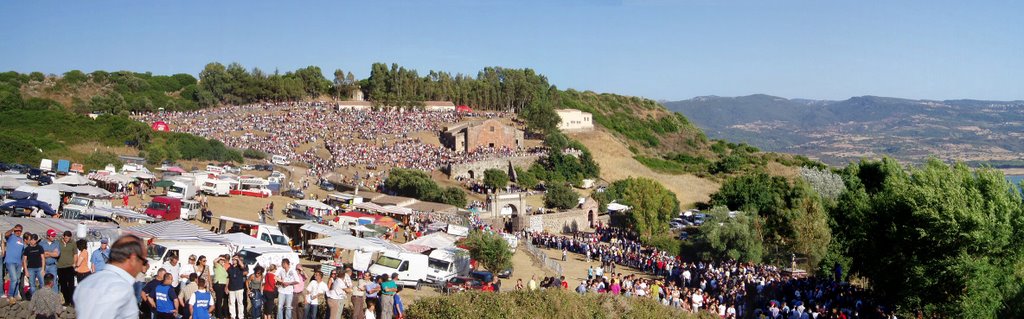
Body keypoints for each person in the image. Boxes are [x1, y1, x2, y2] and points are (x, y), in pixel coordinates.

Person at [74, 234, 149, 319]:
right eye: (144, 261)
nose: (144, 266)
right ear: (133, 259)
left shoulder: (87, 282)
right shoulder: (120, 288)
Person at [4, 224, 25, 300]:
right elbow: (6, 234)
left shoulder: (22, 240)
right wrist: (13, 229)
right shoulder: (11, 237)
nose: (18, 232)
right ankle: (10, 295)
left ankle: (15, 294)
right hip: (10, 261)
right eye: (17, 230)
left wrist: (22, 262)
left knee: (18, 280)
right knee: (14, 279)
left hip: (18, 263)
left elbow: (22, 252)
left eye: (20, 231)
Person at [55, 230, 76, 303]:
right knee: (63, 285)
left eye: (69, 238)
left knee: (71, 285)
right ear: (63, 237)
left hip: (70, 266)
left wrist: (75, 263)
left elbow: (75, 254)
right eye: (66, 238)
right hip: (61, 267)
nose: (67, 239)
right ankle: (67, 300)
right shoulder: (58, 243)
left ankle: (72, 301)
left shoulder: (73, 243)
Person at [23, 233, 45, 297]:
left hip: (39, 268)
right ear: (30, 240)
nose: (33, 241)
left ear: (36, 240)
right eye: (32, 240)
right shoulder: (27, 249)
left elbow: (43, 258)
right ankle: (33, 298)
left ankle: (42, 298)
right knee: (32, 285)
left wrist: (43, 269)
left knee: (42, 284)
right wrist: (26, 271)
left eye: (34, 240)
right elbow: (24, 260)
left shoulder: (40, 247)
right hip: (31, 269)